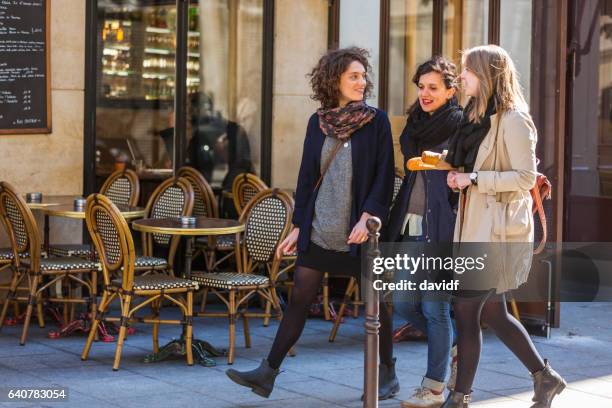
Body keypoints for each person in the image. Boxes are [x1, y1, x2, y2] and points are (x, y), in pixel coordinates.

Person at [225, 47, 396, 400]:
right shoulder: (318, 122)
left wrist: (368, 216)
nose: (362, 82)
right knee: (300, 297)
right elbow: (306, 178)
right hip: (320, 229)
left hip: (360, 231)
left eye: (364, 76)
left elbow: (384, 175)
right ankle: (267, 373)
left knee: (378, 303)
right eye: (354, 76)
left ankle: (387, 375)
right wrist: (299, 225)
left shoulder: (376, 121)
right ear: (334, 80)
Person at [442, 45, 566, 408]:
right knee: (493, 312)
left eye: (466, 70)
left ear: (486, 74)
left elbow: (525, 176)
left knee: (466, 311)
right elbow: (473, 170)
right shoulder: (475, 117)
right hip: (475, 226)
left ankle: (459, 396)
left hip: (496, 231)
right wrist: (457, 177)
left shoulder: (513, 119)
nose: (461, 76)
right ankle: (545, 378)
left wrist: (475, 178)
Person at [385, 56, 462, 408]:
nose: (425, 93)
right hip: (411, 224)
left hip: (441, 229)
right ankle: (461, 343)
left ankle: (433, 388)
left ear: (450, 90)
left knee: (435, 310)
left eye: (433, 87)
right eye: (421, 87)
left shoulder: (461, 125)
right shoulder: (415, 124)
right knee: (403, 302)